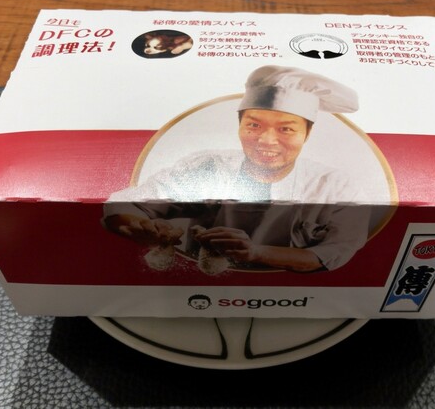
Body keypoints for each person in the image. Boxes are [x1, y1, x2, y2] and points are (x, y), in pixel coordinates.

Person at [102, 65, 372, 273]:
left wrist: (254, 252)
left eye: (286, 129)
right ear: (239, 126)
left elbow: (332, 253)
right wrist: (142, 227)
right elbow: (127, 206)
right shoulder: (209, 167)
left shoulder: (336, 187)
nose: (266, 140)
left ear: (307, 134)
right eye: (254, 125)